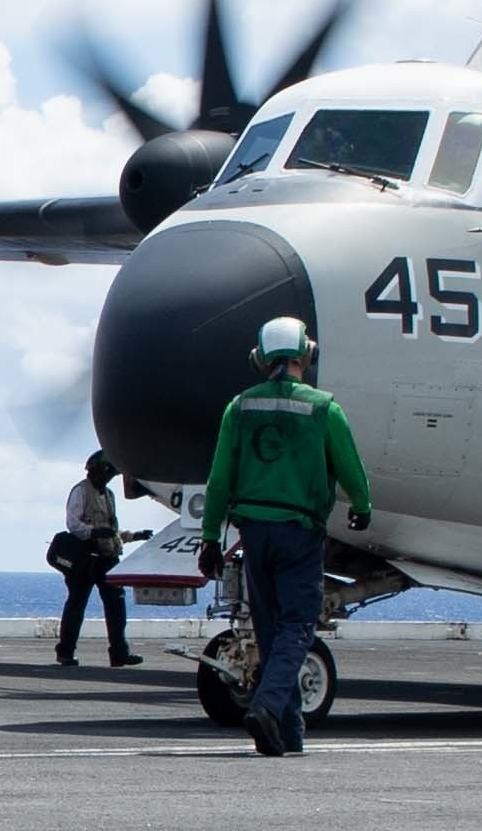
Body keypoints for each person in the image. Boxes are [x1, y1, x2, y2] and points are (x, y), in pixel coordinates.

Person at [196, 317, 372, 757]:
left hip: (253, 533)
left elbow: (219, 481)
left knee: (272, 629)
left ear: (259, 358)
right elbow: (350, 468)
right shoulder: (323, 408)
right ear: (305, 354)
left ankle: (286, 735)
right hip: (299, 532)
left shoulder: (240, 407)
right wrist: (362, 508)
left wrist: (209, 537)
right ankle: (268, 705)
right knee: (298, 624)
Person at [53, 451, 152, 667]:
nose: (107, 478)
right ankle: (66, 652)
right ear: (95, 470)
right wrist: (94, 532)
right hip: (85, 558)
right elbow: (73, 524)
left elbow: (112, 531)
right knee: (76, 604)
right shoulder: (80, 491)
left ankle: (119, 653)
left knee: (116, 605)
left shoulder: (108, 495)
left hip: (107, 557)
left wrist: (135, 536)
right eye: (105, 473)